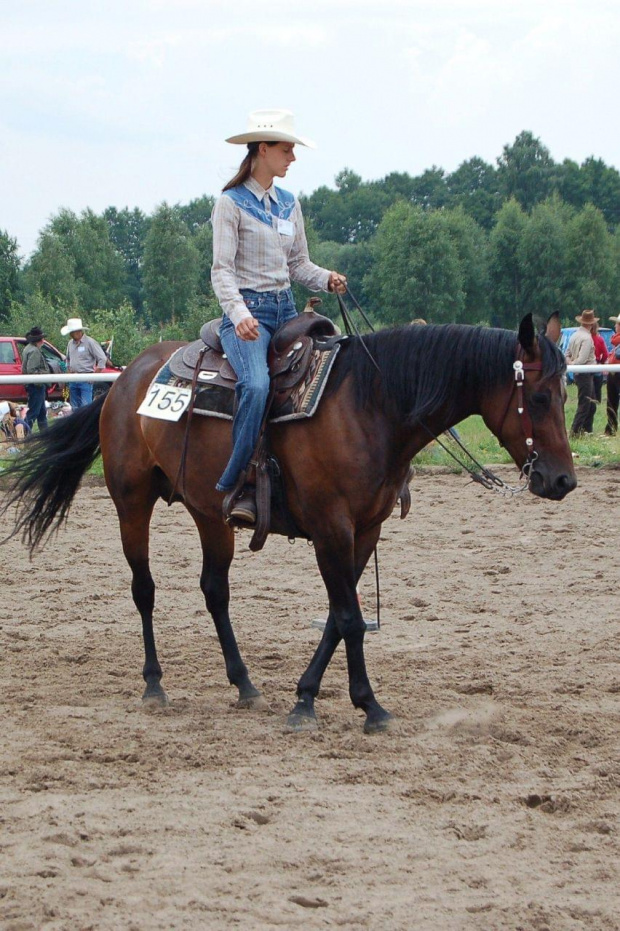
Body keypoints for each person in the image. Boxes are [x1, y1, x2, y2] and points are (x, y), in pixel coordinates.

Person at [210, 108, 347, 525]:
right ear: (263, 149)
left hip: (287, 309)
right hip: (248, 313)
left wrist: (327, 279)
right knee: (254, 384)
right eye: (287, 149)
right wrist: (238, 314)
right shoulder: (229, 204)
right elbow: (221, 270)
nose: (293, 157)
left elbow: (299, 265)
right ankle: (239, 481)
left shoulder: (289, 204)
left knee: (340, 366)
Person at [61, 317, 107, 409]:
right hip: (73, 379)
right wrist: (69, 371)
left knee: (85, 407)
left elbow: (102, 359)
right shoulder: (70, 343)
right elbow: (68, 359)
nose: (71, 334)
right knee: (74, 407)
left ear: (78, 331)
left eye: (72, 332)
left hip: (86, 378)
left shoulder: (90, 342)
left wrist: (94, 376)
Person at [565, 309, 597, 436]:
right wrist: (575, 364)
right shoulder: (587, 338)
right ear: (591, 323)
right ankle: (576, 430)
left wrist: (570, 363)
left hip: (580, 373)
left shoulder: (574, 335)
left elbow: (567, 353)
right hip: (585, 372)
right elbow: (582, 359)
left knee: (592, 402)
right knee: (585, 403)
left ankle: (586, 429)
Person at [21, 326, 50, 432]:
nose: (43, 340)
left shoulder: (28, 348)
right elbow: (31, 370)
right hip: (36, 385)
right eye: (42, 339)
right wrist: (44, 375)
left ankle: (45, 435)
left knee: (42, 413)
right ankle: (25, 433)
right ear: (39, 340)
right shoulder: (34, 351)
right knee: (33, 412)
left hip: (34, 385)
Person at [605, 313, 620, 436]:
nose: (615, 326)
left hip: (617, 374)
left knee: (612, 400)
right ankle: (611, 426)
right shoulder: (616, 341)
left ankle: (611, 426)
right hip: (614, 372)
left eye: (617, 324)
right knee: (612, 400)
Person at [591, 320, 607, 404]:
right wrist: (602, 362)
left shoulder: (585, 338)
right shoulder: (599, 339)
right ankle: (597, 402)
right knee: (597, 389)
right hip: (596, 364)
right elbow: (605, 354)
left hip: (584, 366)